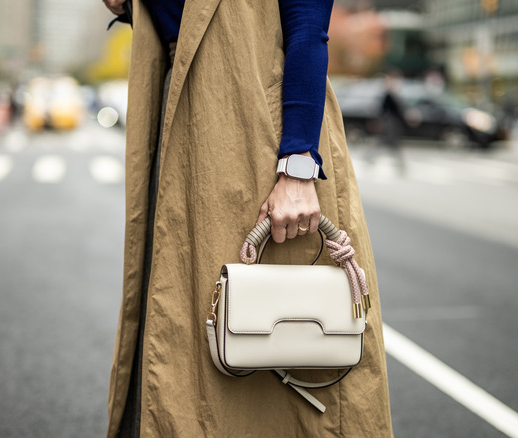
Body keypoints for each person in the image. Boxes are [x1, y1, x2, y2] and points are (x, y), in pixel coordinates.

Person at [102, 1, 392, 436]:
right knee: (176, 330)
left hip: (257, 129)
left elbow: (307, 27)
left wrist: (297, 165)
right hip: (182, 118)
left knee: (260, 348)